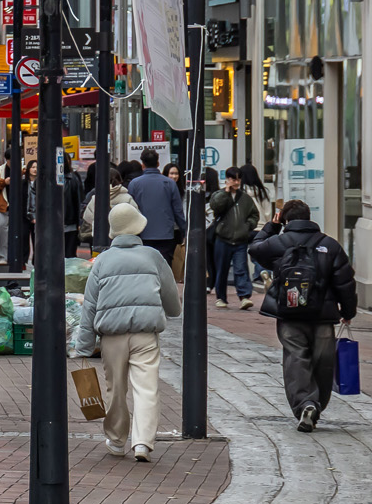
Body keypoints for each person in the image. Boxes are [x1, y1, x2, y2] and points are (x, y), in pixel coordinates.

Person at [70, 203, 182, 460]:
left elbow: (90, 305)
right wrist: (171, 309)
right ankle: (142, 442)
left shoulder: (103, 261)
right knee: (147, 388)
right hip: (146, 333)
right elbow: (172, 302)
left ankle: (117, 440)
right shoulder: (153, 256)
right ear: (138, 227)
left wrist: (84, 346)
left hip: (112, 336)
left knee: (116, 388)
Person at [250, 200, 359, 432]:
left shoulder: (279, 242)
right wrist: (348, 312)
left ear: (285, 219)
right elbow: (345, 282)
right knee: (323, 361)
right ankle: (316, 403)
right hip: (323, 314)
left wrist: (271, 226)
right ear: (309, 217)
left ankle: (305, 403)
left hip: (289, 315)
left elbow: (255, 248)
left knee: (296, 358)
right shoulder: (330, 245)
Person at [208, 168, 262, 309]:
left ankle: (244, 296)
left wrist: (248, 226)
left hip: (240, 240)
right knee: (222, 269)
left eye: (238, 179)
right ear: (227, 179)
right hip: (222, 239)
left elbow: (254, 214)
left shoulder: (245, 198)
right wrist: (226, 192)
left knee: (241, 268)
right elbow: (216, 207)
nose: (236, 182)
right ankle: (221, 297)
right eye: (233, 179)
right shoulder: (219, 194)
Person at [128, 158, 185, 263]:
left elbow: (131, 209)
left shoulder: (134, 183)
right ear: (158, 164)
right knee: (164, 264)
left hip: (142, 232)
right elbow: (178, 210)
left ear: (143, 165)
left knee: (145, 263)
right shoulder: (169, 183)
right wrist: (184, 229)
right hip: (166, 233)